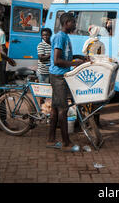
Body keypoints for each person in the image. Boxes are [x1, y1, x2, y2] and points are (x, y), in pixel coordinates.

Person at [47, 13, 86, 152]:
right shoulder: (59, 37)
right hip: (58, 76)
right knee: (62, 109)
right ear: (67, 23)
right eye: (74, 22)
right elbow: (57, 60)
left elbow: (65, 55)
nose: (75, 25)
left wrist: (78, 57)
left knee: (55, 108)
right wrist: (74, 64)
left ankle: (51, 139)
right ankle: (66, 142)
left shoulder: (65, 37)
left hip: (59, 75)